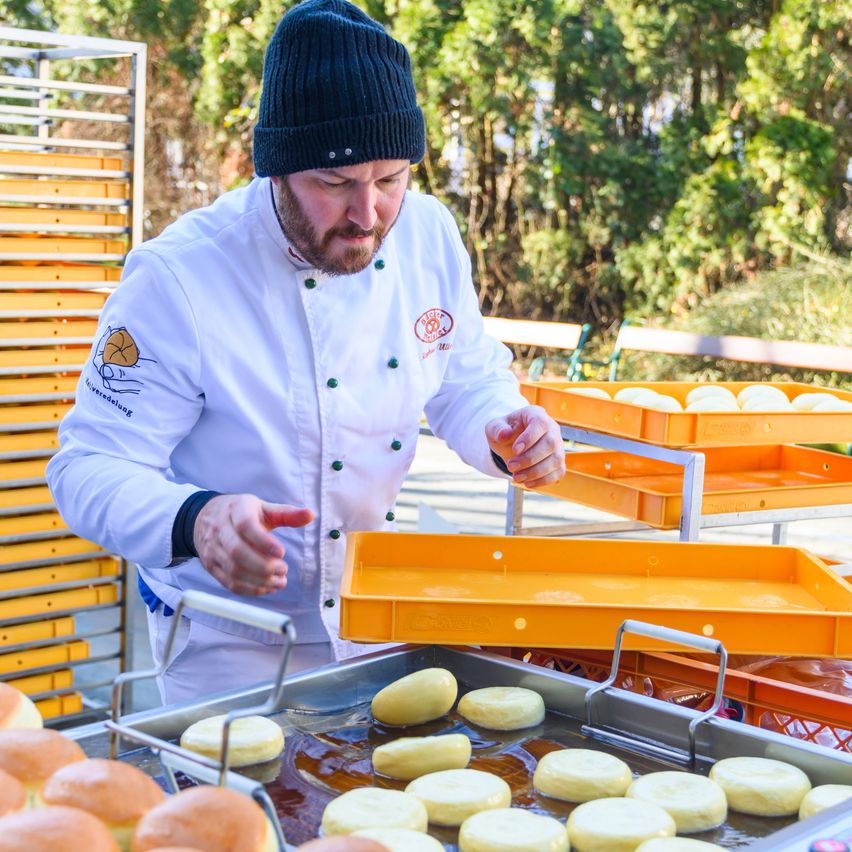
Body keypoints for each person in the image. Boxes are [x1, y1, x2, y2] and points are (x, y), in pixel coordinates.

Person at [46, 0, 566, 705]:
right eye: (335, 183)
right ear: (277, 170)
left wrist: (506, 431)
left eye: (390, 180)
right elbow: (87, 467)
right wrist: (195, 520)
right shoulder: (179, 277)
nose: (369, 214)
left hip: (374, 620)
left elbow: (464, 379)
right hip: (226, 645)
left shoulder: (429, 232)